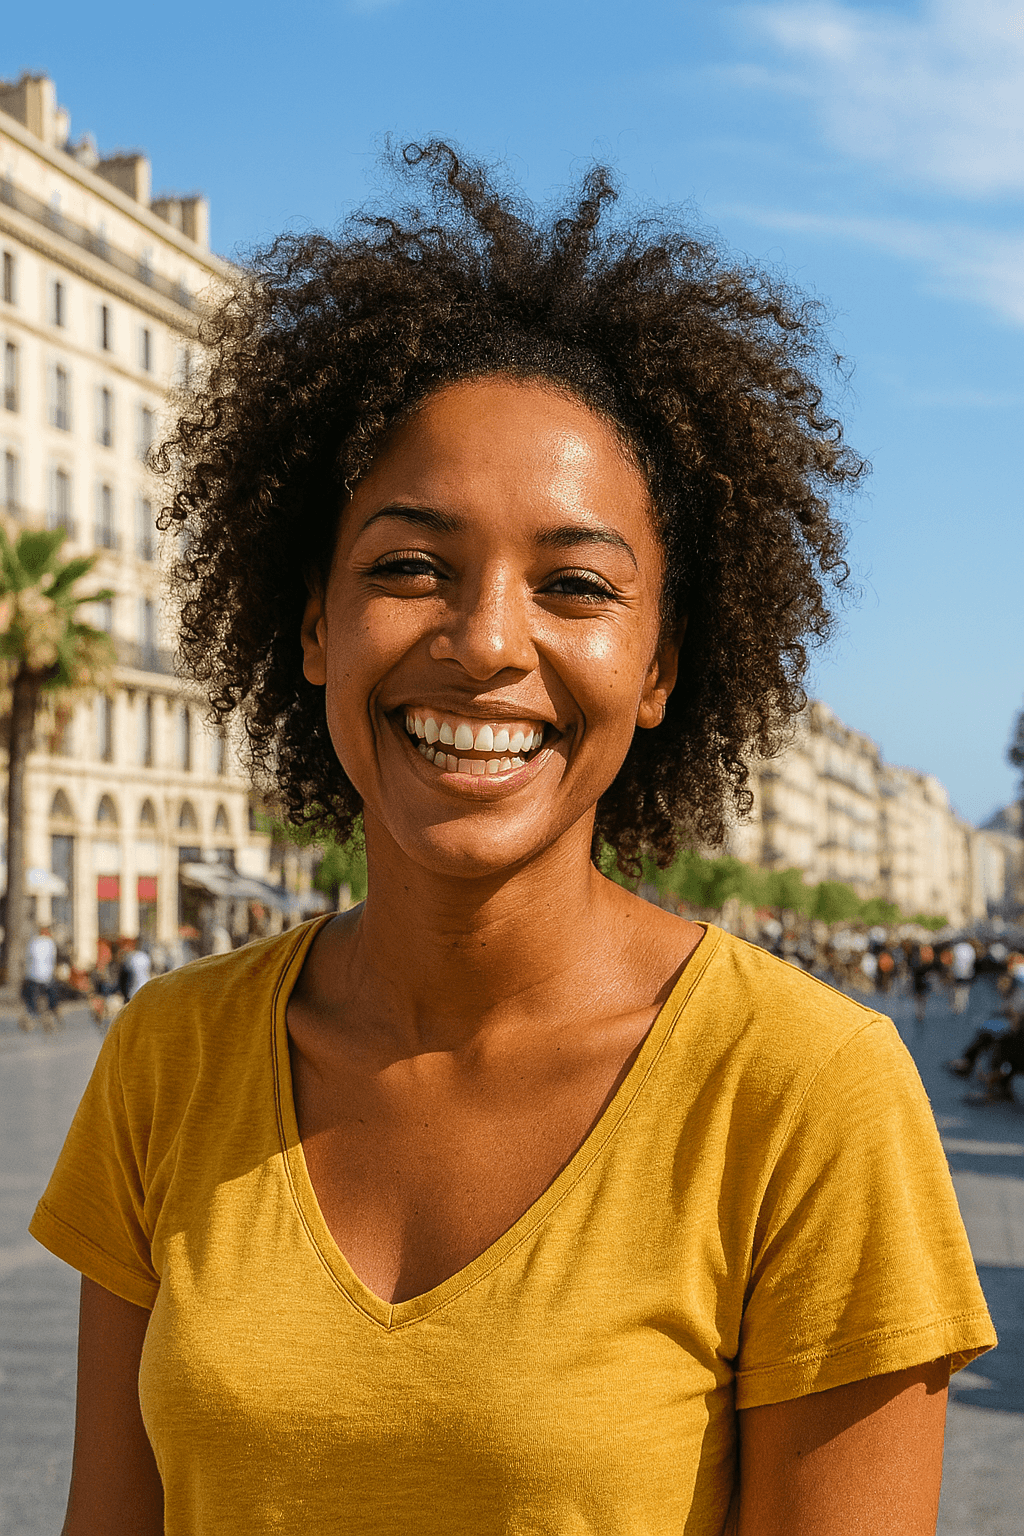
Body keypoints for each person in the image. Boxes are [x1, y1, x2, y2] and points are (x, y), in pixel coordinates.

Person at [31, 145, 993, 1536]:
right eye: (409, 565)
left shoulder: (805, 1094)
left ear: (662, 668)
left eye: (576, 585)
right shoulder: (166, 1056)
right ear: (311, 625)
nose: (486, 643)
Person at [21, 924, 59, 1029]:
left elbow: (28, 957)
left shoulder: (33, 941)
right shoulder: (50, 942)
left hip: (32, 975)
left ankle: (31, 1015)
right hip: (47, 975)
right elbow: (53, 959)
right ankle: (51, 1014)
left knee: (32, 997)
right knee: (50, 995)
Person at [117, 937, 152, 1002]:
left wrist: (124, 995)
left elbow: (123, 979)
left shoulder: (129, 958)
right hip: (146, 991)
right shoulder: (145, 957)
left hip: (133, 994)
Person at [949, 938, 976, 1016]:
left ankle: (957, 1006)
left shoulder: (956, 948)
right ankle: (963, 1006)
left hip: (957, 973)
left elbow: (952, 960)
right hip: (967, 974)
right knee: (965, 990)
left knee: (957, 990)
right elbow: (972, 961)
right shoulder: (970, 948)